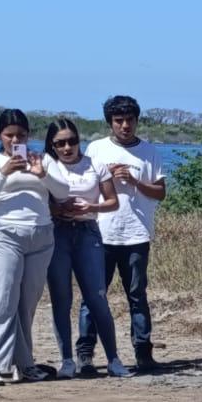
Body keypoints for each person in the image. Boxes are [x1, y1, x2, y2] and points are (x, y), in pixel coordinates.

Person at [0, 109, 71, 387]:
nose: (15, 139)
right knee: (1, 302)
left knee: (26, 305)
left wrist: (42, 174)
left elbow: (63, 192)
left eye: (21, 135)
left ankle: (24, 364)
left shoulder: (42, 160)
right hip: (5, 234)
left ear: (29, 135)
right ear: (0, 136)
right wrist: (5, 172)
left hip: (41, 235)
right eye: (9, 135)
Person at [79, 94, 165, 375]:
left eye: (130, 120)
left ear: (137, 121)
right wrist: (107, 180)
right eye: (119, 121)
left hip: (137, 234)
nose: (125, 126)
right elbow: (84, 184)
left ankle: (143, 352)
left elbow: (160, 192)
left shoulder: (149, 152)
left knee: (137, 295)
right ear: (110, 123)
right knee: (93, 295)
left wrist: (135, 181)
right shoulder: (96, 149)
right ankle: (85, 354)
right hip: (100, 233)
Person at [43, 118, 127, 379]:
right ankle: (67, 360)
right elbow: (39, 201)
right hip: (58, 233)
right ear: (52, 146)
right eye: (60, 143)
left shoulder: (95, 165)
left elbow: (113, 202)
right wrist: (57, 209)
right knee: (61, 298)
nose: (67, 147)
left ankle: (114, 360)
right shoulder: (47, 167)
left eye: (72, 141)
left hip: (88, 232)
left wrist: (91, 207)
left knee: (96, 297)